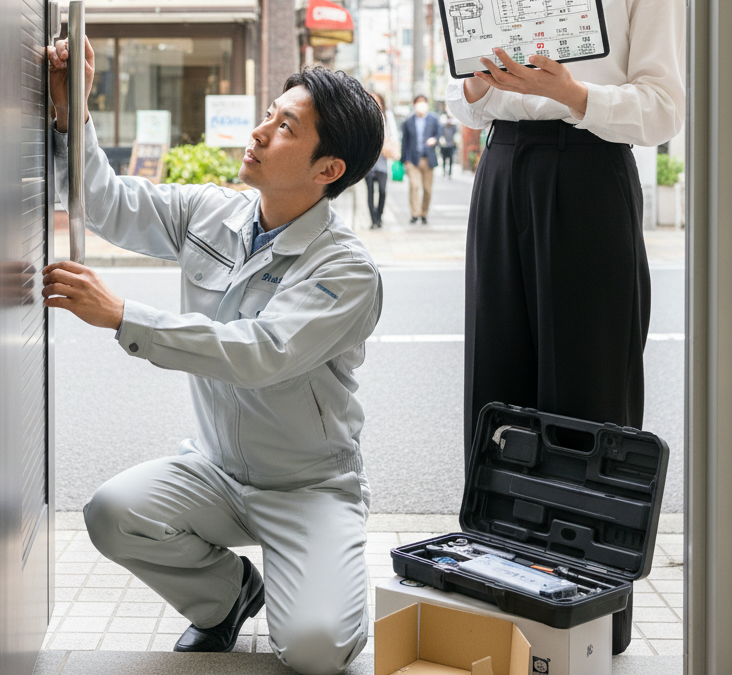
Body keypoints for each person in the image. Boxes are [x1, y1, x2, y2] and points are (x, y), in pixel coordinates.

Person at [42, 43, 384, 675]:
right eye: (271, 114)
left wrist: (124, 315)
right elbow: (108, 203)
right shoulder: (212, 211)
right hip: (215, 472)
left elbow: (261, 353)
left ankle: (312, 586)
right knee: (113, 513)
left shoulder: (346, 269)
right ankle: (227, 595)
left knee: (315, 651)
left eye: (286, 127)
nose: (260, 131)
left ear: (327, 169)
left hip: (307, 487)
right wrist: (74, 108)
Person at [446, 0, 685, 654]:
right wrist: (481, 86)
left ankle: (590, 621)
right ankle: (501, 597)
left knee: (587, 393)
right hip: (503, 177)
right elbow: (474, 102)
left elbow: (663, 109)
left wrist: (574, 93)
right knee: (498, 395)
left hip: (588, 179)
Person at [400, 95, 440, 224]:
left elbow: (438, 134)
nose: (420, 105)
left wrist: (434, 140)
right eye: (418, 102)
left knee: (427, 189)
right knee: (414, 186)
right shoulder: (408, 122)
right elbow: (404, 141)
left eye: (423, 102)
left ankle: (424, 213)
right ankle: (415, 213)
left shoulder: (433, 120)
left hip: (428, 159)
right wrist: (404, 159)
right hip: (412, 159)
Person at [364, 92, 399, 228]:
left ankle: (379, 216)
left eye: (377, 100)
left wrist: (392, 146)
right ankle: (373, 220)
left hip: (383, 158)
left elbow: (394, 134)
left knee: (383, 191)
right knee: (370, 192)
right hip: (368, 160)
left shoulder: (387, 116)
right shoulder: (364, 116)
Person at [438, 112, 458, 178]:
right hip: (444, 146)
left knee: (451, 160)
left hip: (451, 145)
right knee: (444, 159)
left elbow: (456, 135)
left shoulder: (453, 127)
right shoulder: (443, 127)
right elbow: (440, 135)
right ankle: (444, 171)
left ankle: (449, 173)